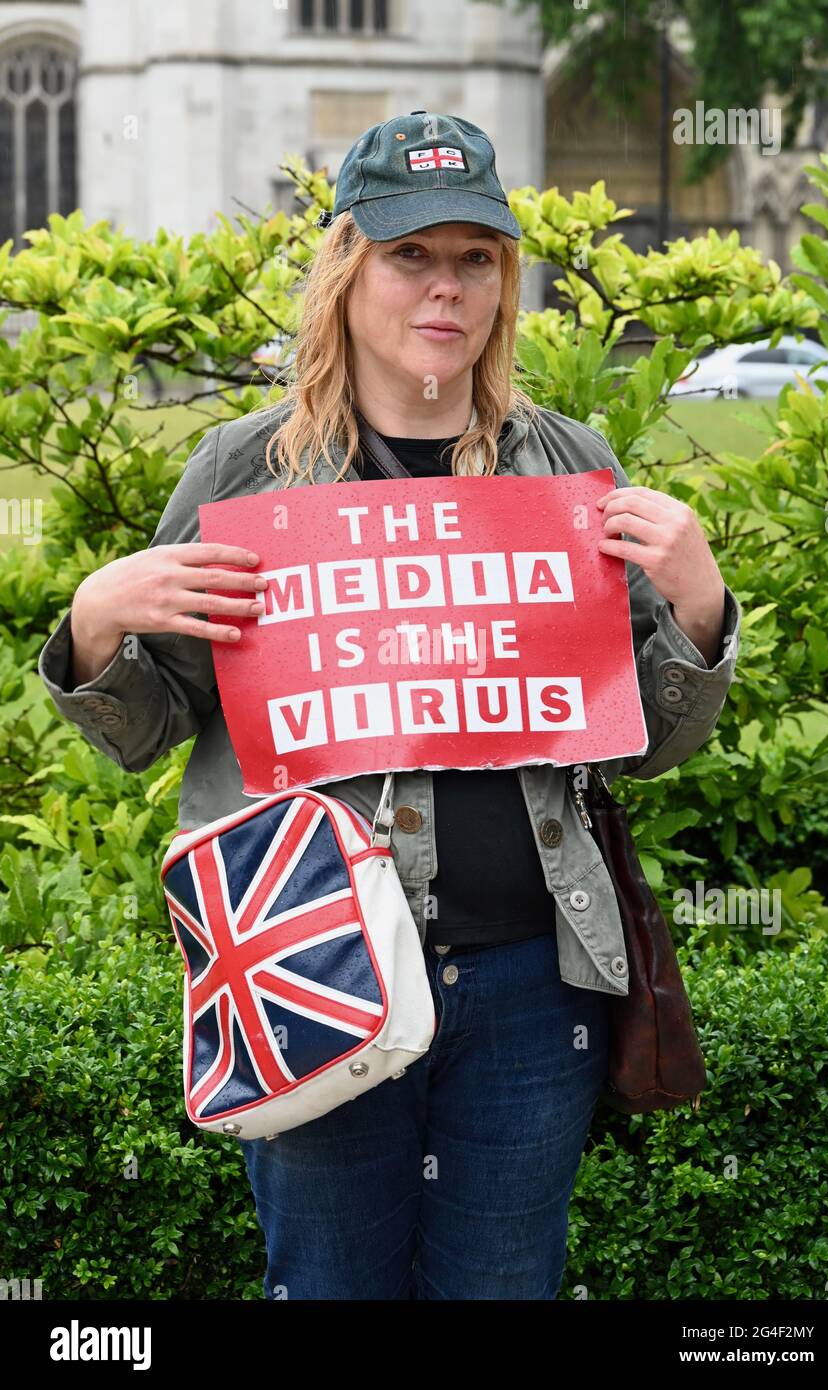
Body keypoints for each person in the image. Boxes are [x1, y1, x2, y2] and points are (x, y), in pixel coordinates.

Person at [38, 111, 742, 1300]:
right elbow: (153, 722)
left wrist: (703, 609)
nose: (446, 287)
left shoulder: (572, 464)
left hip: (532, 986)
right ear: (347, 267)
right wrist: (100, 621)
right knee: (326, 1287)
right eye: (411, 254)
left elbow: (645, 746)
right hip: (315, 968)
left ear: (505, 282)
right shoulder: (243, 472)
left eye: (477, 257)